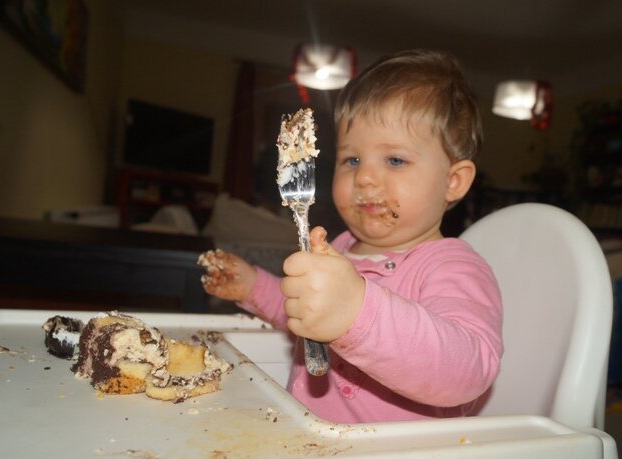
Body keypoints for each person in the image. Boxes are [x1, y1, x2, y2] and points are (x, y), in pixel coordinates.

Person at [201, 49, 503, 423]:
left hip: (399, 456)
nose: (364, 178)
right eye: (352, 160)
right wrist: (253, 287)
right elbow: (304, 313)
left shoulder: (452, 267)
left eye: (395, 160)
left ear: (453, 181)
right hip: (309, 438)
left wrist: (356, 314)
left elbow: (468, 371)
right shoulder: (340, 247)